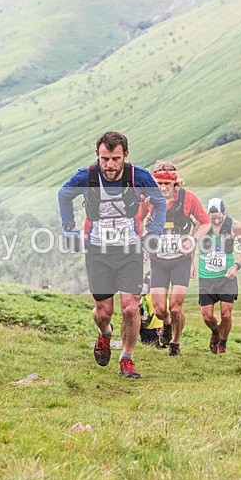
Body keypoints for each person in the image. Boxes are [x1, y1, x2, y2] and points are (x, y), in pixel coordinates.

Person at [57, 131, 166, 379]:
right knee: (103, 312)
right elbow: (63, 194)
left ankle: (126, 358)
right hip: (97, 250)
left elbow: (160, 203)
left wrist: (155, 232)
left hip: (130, 250)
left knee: (130, 308)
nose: (109, 165)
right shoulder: (87, 176)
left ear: (125, 155)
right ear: (98, 154)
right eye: (105, 158)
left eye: (115, 159)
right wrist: (68, 227)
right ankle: (105, 334)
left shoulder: (138, 176)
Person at [136, 160, 210, 356]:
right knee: (160, 310)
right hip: (158, 260)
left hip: (181, 260)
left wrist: (193, 240)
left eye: (166, 184)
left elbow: (205, 223)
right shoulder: (148, 199)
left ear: (175, 183)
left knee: (176, 307)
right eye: (158, 184)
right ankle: (167, 325)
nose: (162, 188)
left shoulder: (189, 199)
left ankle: (175, 342)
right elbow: (138, 219)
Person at [197, 198, 241, 354]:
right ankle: (215, 331)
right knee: (207, 317)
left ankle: (222, 344)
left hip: (226, 277)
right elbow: (191, 243)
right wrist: (191, 265)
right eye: (213, 218)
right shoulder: (202, 225)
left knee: (226, 314)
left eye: (219, 217)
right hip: (206, 276)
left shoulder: (235, 226)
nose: (216, 221)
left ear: (224, 212)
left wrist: (236, 265)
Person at [139, 271, 165, 347]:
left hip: (144, 327)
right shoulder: (162, 297)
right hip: (157, 328)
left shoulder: (142, 298)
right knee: (157, 346)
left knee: (145, 345)